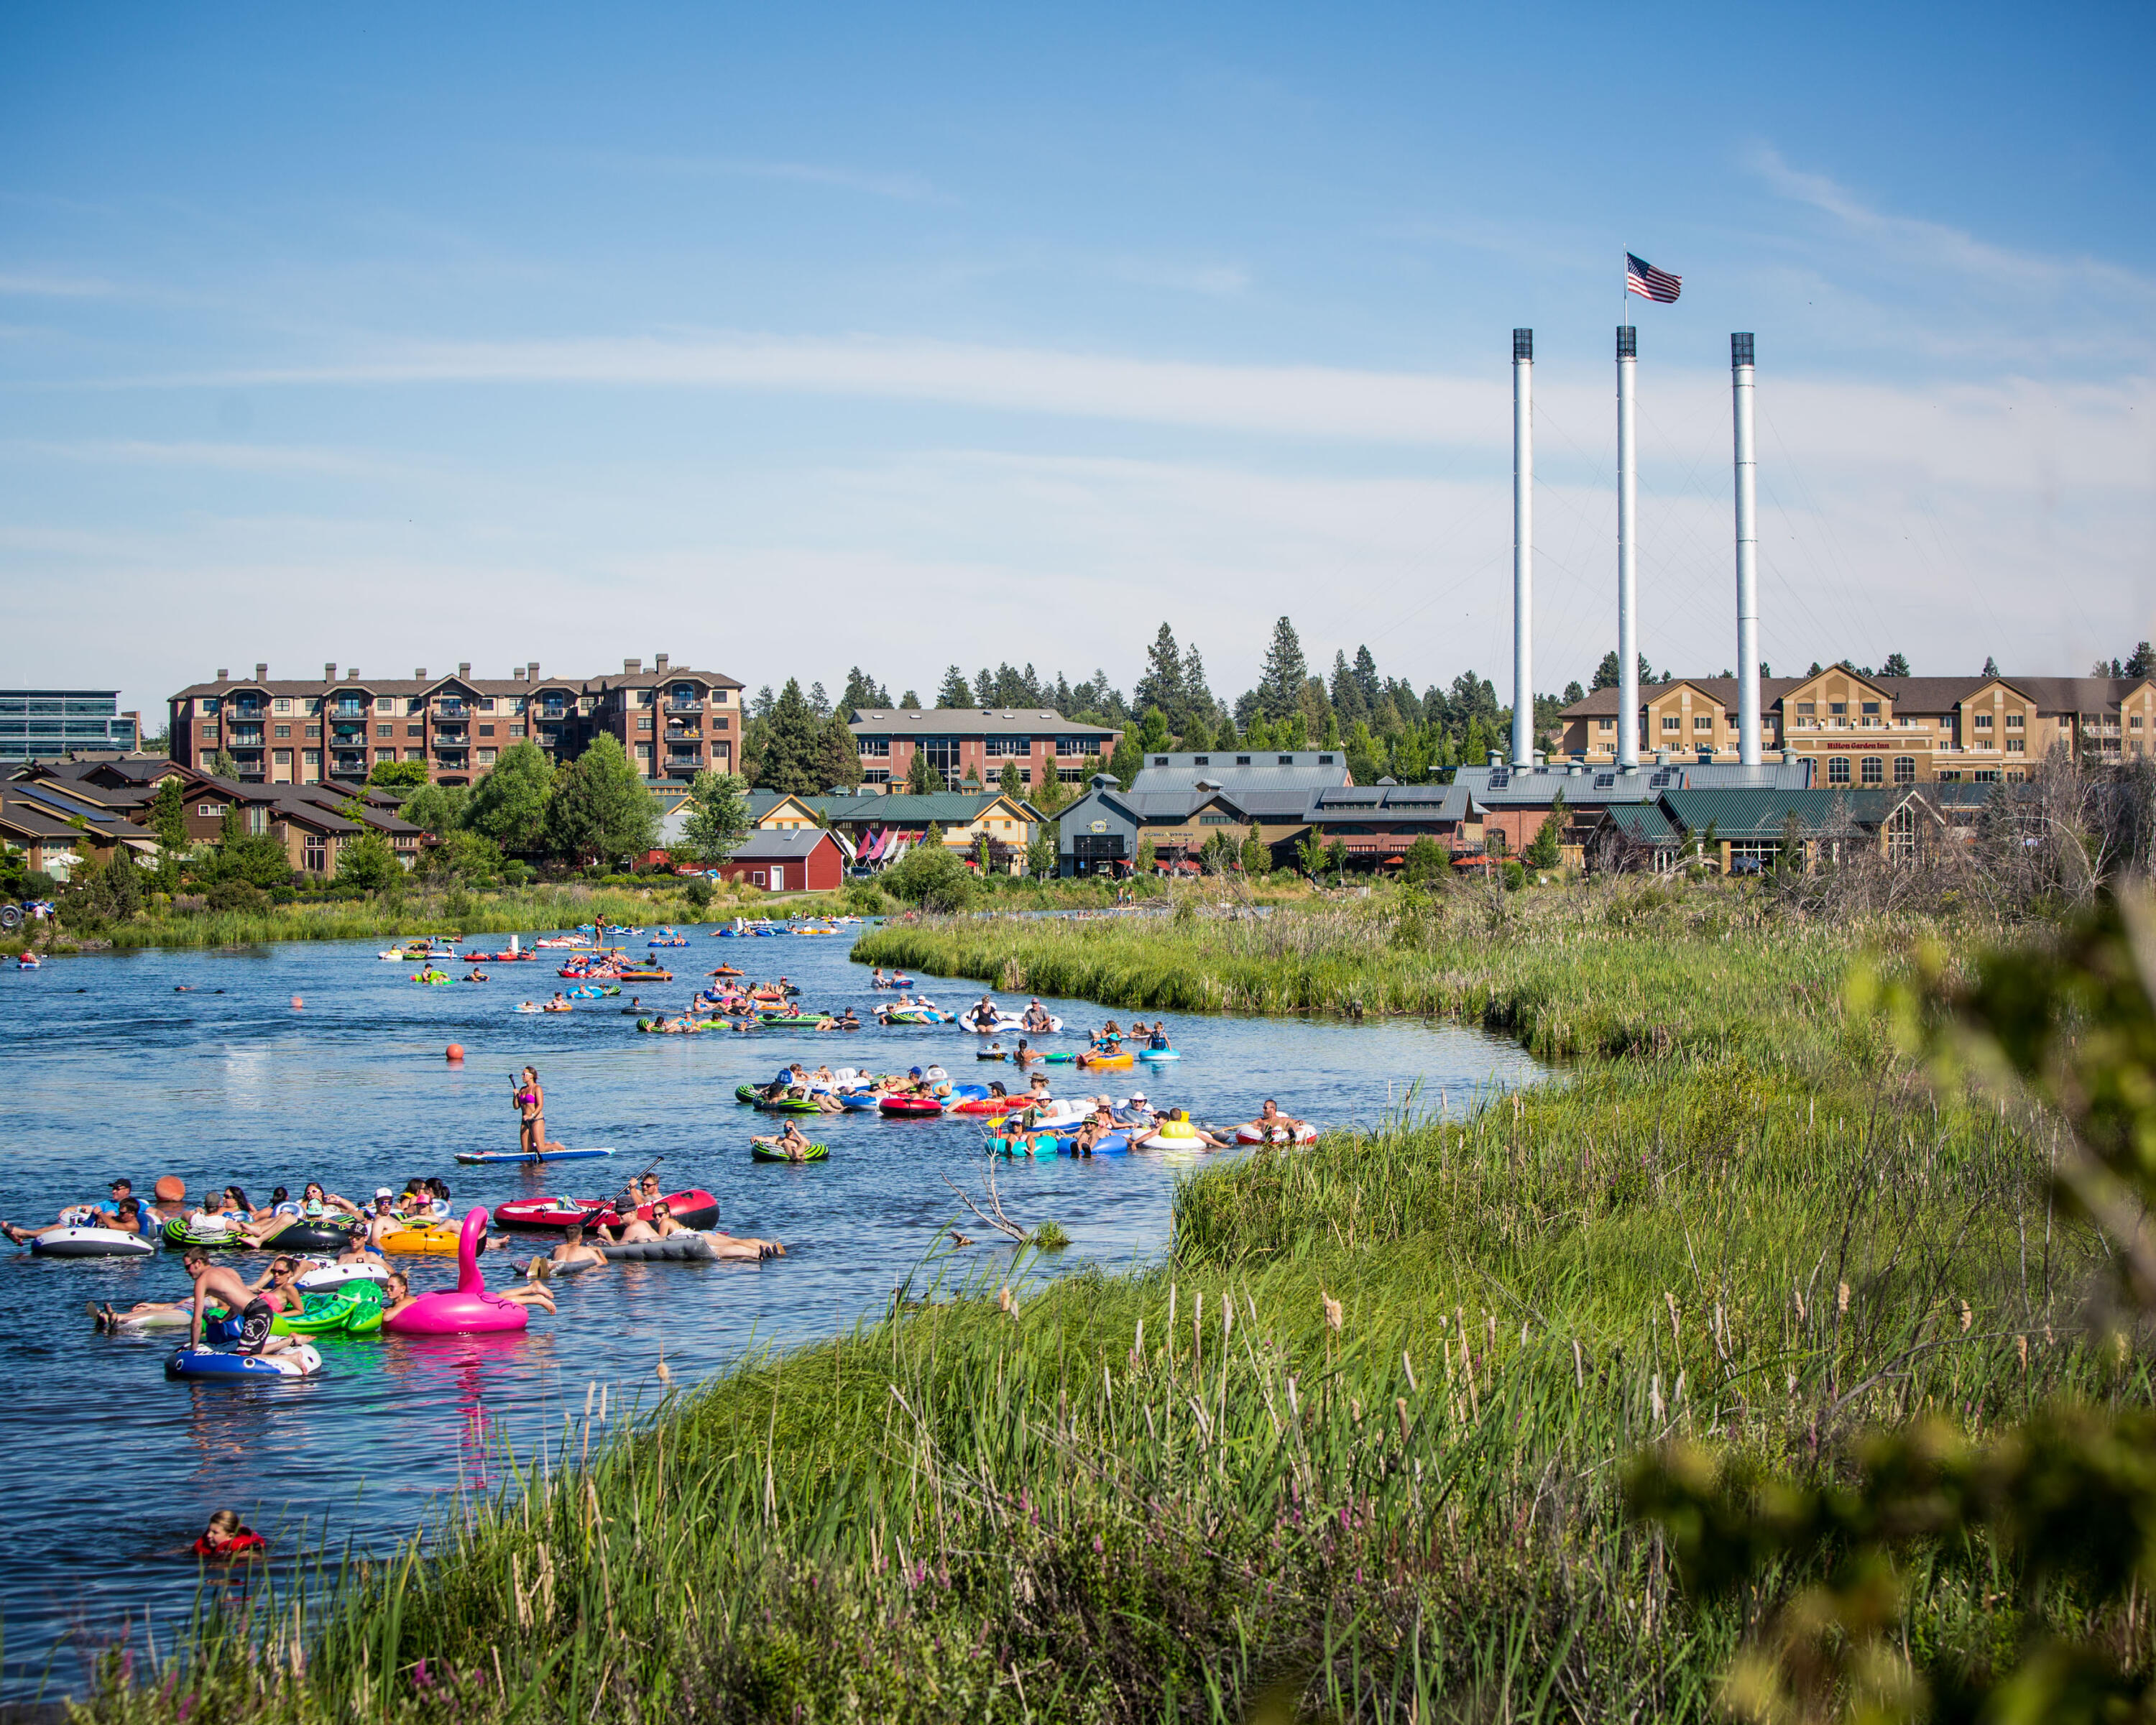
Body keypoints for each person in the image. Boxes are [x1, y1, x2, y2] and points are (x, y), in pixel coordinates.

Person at [183, 1248, 297, 1360]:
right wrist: (223, 1320)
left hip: (256, 1313)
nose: (186, 1271)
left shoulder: (202, 1281)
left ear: (198, 1263)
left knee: (245, 1357)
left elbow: (197, 1321)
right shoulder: (228, 1271)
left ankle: (292, 1356)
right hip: (261, 1307)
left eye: (188, 1267)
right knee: (246, 1351)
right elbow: (236, 1303)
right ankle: (289, 1342)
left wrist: (193, 1351)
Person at [380, 1269, 554, 1320]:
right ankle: (532, 1288)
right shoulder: (399, 1302)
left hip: (461, 1306)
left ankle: (535, 1298)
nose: (388, 1290)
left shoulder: (404, 1302)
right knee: (495, 1298)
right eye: (387, 1287)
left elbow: (388, 1318)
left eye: (391, 1287)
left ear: (403, 1289)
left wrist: (381, 1312)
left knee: (494, 1302)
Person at [513, 1067, 566, 1156]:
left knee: (540, 1149)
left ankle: (555, 1145)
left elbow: (540, 1105)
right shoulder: (522, 1090)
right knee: (526, 1151)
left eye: (524, 1074)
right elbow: (516, 1107)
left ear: (532, 1076)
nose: (522, 1076)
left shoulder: (537, 1088)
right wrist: (515, 1096)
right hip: (525, 1121)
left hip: (537, 1120)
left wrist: (531, 1116)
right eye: (522, 1074)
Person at [529, 1223, 607, 1278]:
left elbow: (549, 1257)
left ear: (566, 1237)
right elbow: (603, 1264)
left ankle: (543, 1266)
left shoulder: (557, 1248)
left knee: (552, 1264)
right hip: (568, 1268)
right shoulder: (586, 1250)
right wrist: (598, 1251)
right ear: (580, 1238)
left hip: (556, 1263)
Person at [193, 1510, 267, 1559]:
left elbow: (261, 1560)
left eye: (215, 1532)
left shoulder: (243, 1553)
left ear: (230, 1536)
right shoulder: (207, 1543)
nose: (208, 1535)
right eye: (209, 1530)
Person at [1238, 1098, 1309, 1142]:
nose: (1263, 1110)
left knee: (1290, 1123)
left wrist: (1300, 1122)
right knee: (1265, 1124)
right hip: (1267, 1129)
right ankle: (1268, 1134)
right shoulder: (1260, 1120)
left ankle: (1292, 1134)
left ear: (1273, 1109)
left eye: (1265, 1108)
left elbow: (1300, 1122)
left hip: (1284, 1130)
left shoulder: (1283, 1119)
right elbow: (1248, 1125)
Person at [751, 1121, 818, 1164]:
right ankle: (795, 1157)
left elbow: (808, 1144)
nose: (787, 1128)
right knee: (786, 1143)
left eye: (790, 1126)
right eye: (786, 1126)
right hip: (785, 1154)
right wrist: (755, 1137)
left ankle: (795, 1155)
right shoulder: (779, 1139)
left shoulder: (797, 1139)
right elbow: (766, 1139)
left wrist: (795, 1131)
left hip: (797, 1151)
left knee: (803, 1143)